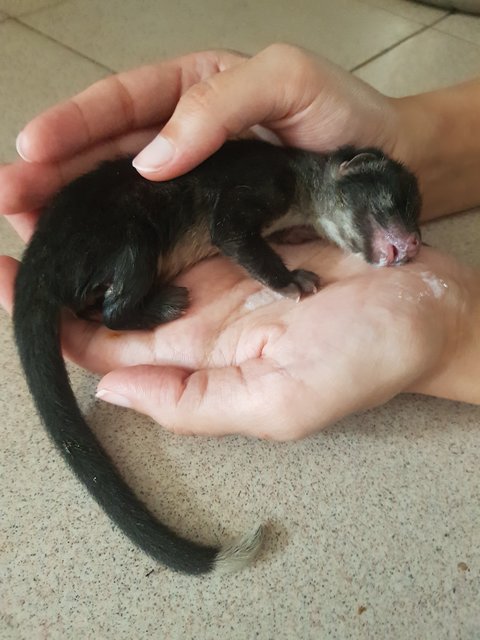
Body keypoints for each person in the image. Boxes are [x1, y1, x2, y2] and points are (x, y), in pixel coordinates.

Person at [0, 44, 479, 440]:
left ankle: (97, 298)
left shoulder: (290, 196)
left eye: (407, 226)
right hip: (102, 230)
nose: (407, 241)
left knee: (135, 232)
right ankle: (121, 309)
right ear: (343, 172)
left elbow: (253, 224)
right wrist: (282, 279)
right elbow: (231, 232)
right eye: (384, 215)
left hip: (96, 235)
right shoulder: (277, 179)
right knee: (133, 235)